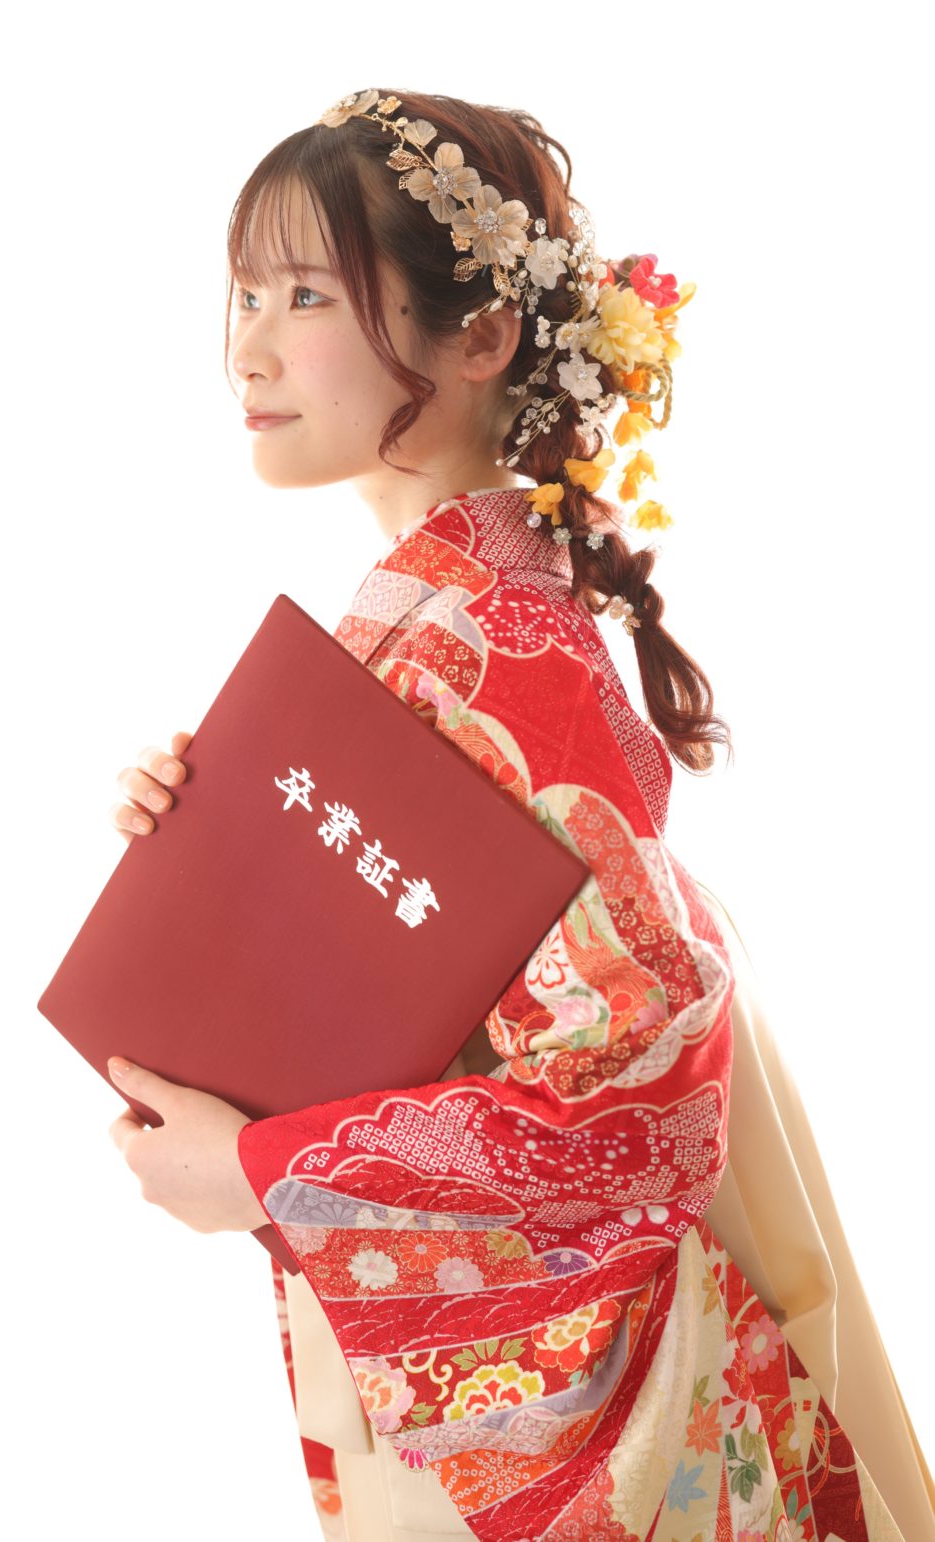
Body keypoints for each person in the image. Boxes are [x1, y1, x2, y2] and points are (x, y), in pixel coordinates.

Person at [102, 88, 935, 1541]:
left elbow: (641, 1087)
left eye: (307, 294)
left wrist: (263, 1174)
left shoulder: (504, 645)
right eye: (245, 293)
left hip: (556, 1389)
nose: (247, 347)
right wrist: (212, 864)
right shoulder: (448, 619)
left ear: (480, 336)